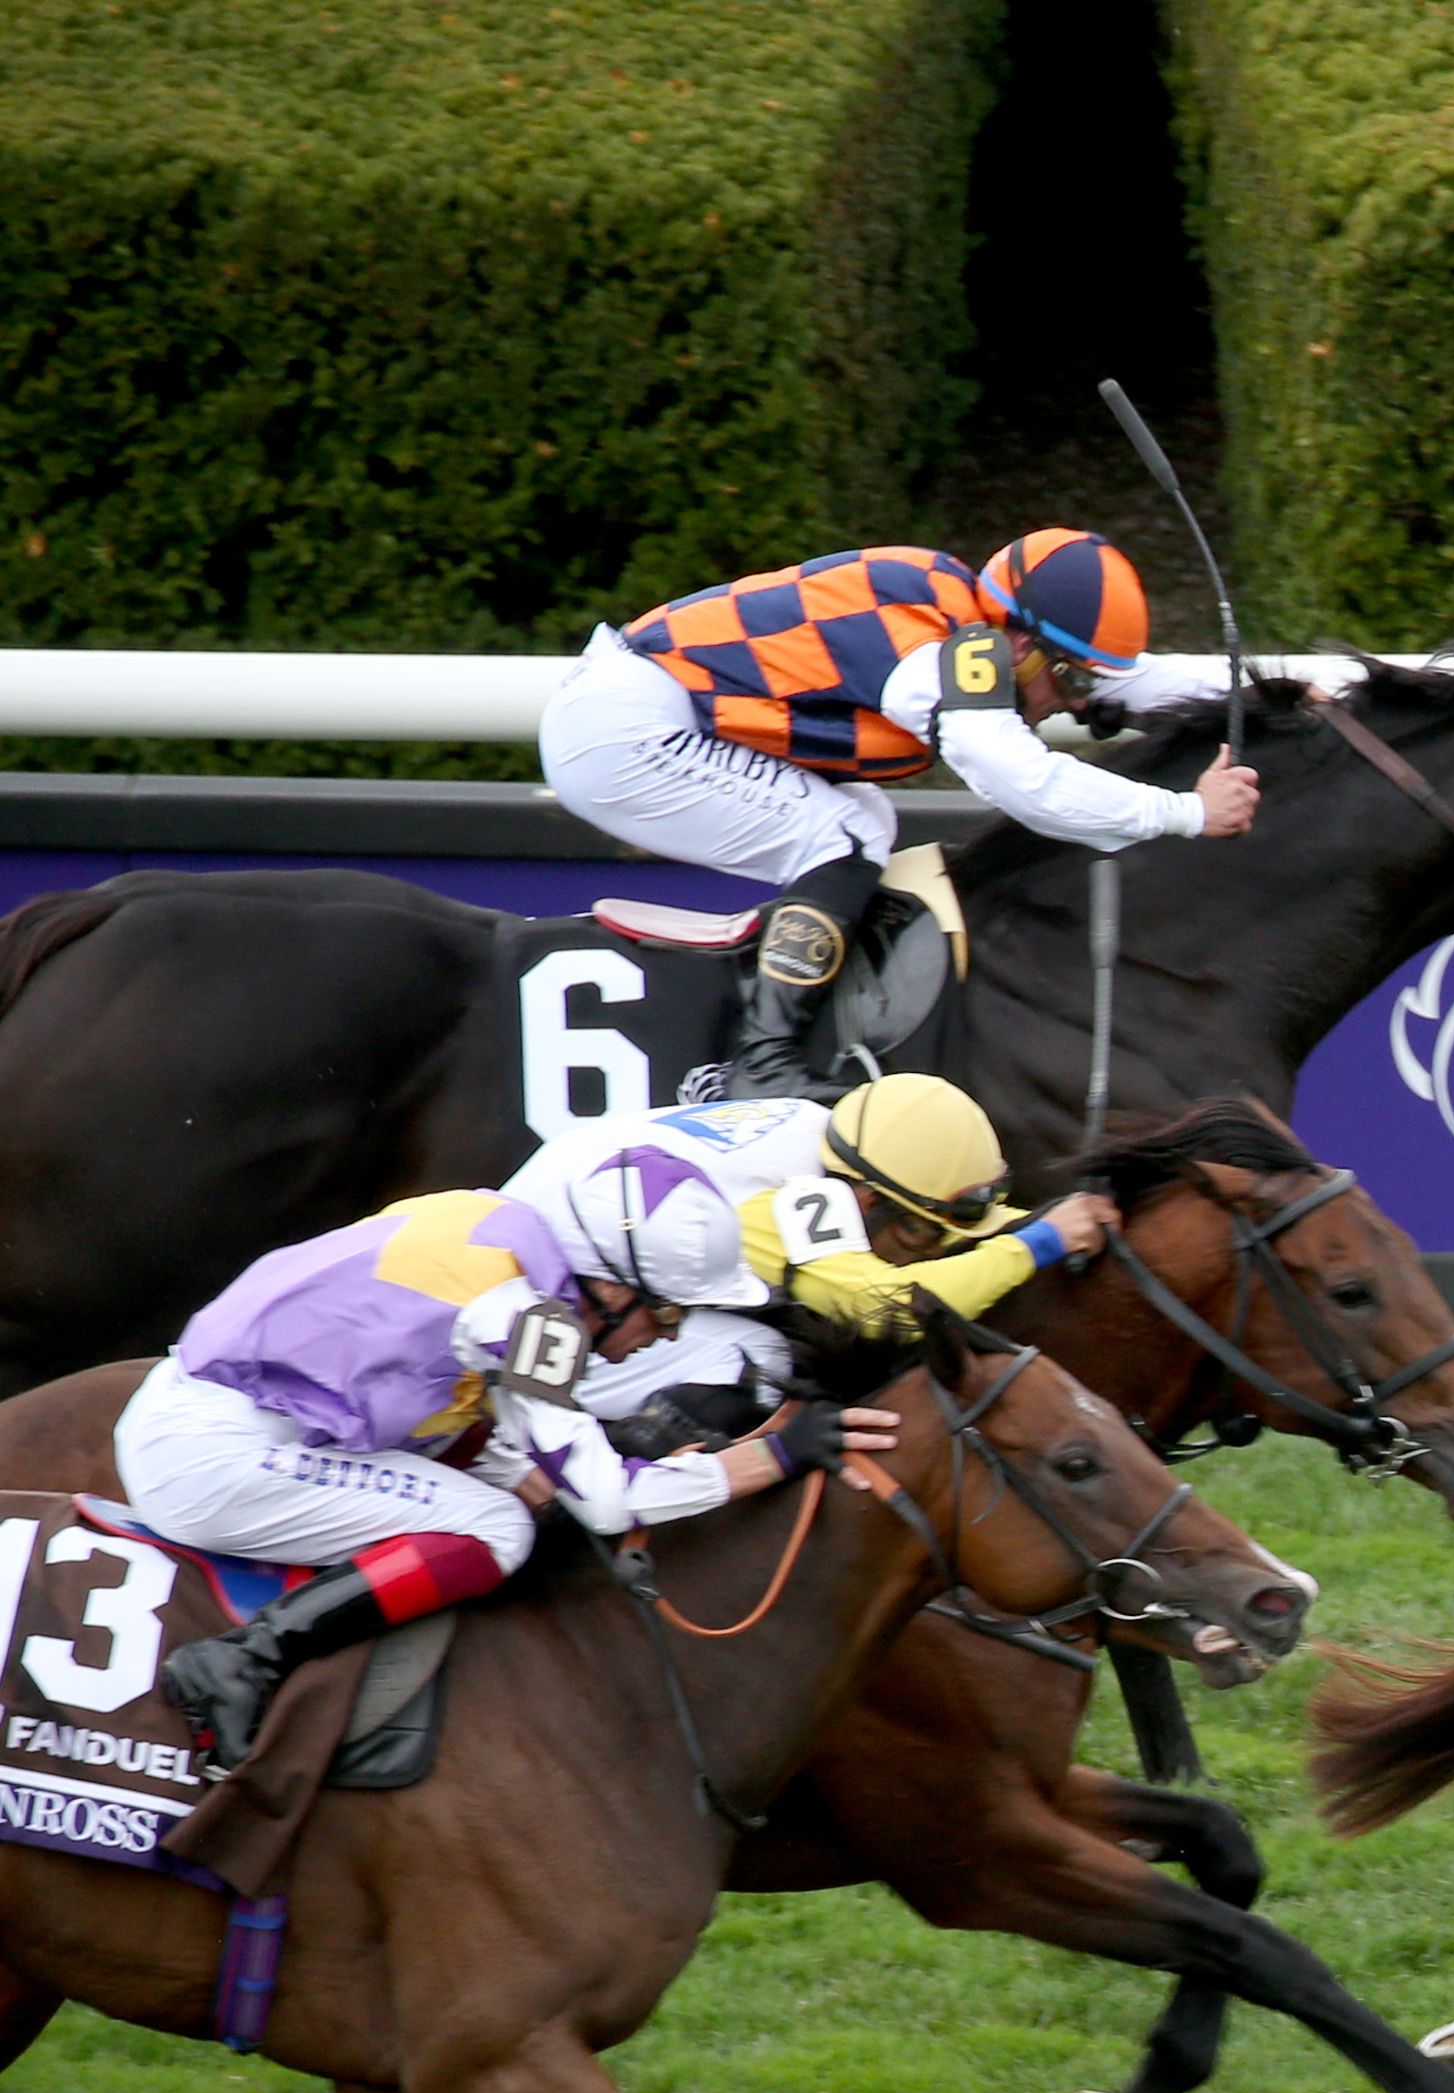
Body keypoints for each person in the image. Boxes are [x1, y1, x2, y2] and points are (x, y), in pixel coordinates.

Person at [116, 1151, 896, 1771]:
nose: (664, 1335)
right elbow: (609, 1502)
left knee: (510, 1484)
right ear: (606, 1285)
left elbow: (423, 1383)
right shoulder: (524, 1314)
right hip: (218, 1456)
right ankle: (245, 1661)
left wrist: (516, 1463)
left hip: (217, 1413)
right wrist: (776, 1456)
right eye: (663, 1309)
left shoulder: (492, 1222)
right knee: (496, 1530)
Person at [535, 529, 1258, 1092]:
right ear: (1022, 644)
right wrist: (1185, 814)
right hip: (623, 729)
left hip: (634, 707)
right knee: (842, 833)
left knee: (866, 824)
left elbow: (1133, 681)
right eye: (1068, 680)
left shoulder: (972, 617)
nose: (1073, 704)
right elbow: (1023, 785)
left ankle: (781, 1031)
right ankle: (762, 1060)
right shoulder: (938, 656)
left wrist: (1280, 690)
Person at [500, 1078, 1116, 1443]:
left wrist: (1045, 1226)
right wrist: (1038, 1243)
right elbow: (890, 1309)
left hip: (567, 1250)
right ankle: (609, 1481)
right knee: (764, 1359)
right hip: (530, 1343)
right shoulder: (784, 1205)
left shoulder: (834, 1135)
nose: (930, 1250)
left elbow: (956, 1233)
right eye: (922, 1234)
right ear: (868, 1201)